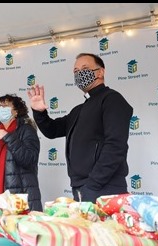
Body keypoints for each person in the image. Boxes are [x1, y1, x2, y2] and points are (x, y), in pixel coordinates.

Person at [27, 53, 133, 203]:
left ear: (101, 72)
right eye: (76, 72)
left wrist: (93, 185)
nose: (80, 74)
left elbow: (115, 146)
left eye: (85, 68)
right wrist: (39, 112)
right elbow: (52, 130)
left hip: (104, 188)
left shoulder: (112, 100)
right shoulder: (79, 110)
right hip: (81, 188)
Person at [0, 94, 43, 211]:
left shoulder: (26, 130)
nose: (1, 109)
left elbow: (29, 160)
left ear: (16, 111)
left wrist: (8, 137)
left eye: (5, 106)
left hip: (17, 199)